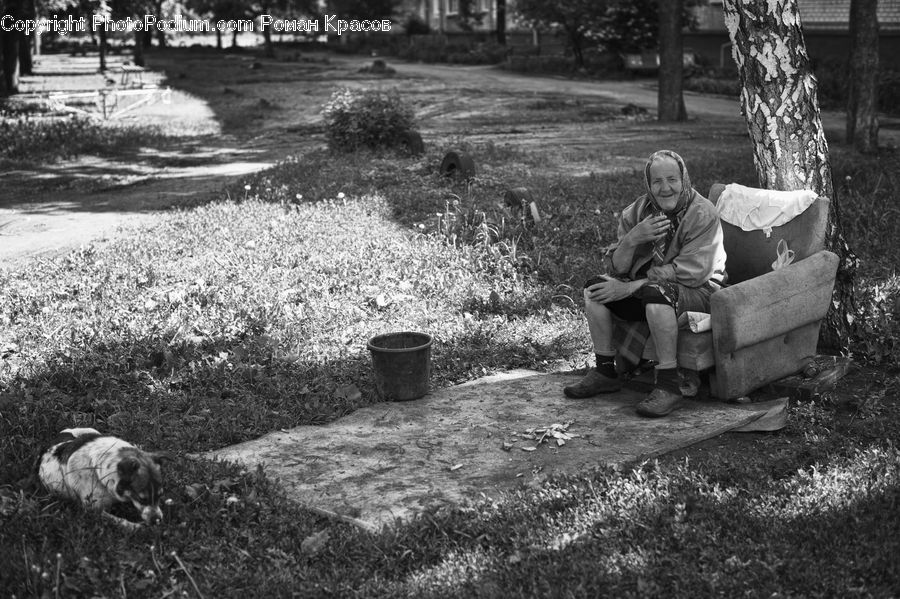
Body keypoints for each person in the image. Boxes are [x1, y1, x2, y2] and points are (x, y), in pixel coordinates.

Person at [563, 150, 727, 417]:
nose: (665, 188)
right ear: (648, 185)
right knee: (595, 289)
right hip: (650, 290)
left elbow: (693, 273)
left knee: (656, 293)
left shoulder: (702, 213)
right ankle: (606, 371)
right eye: (657, 181)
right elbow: (618, 268)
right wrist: (632, 239)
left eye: (672, 179)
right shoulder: (638, 212)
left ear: (684, 179)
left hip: (699, 292)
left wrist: (629, 288)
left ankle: (668, 385)